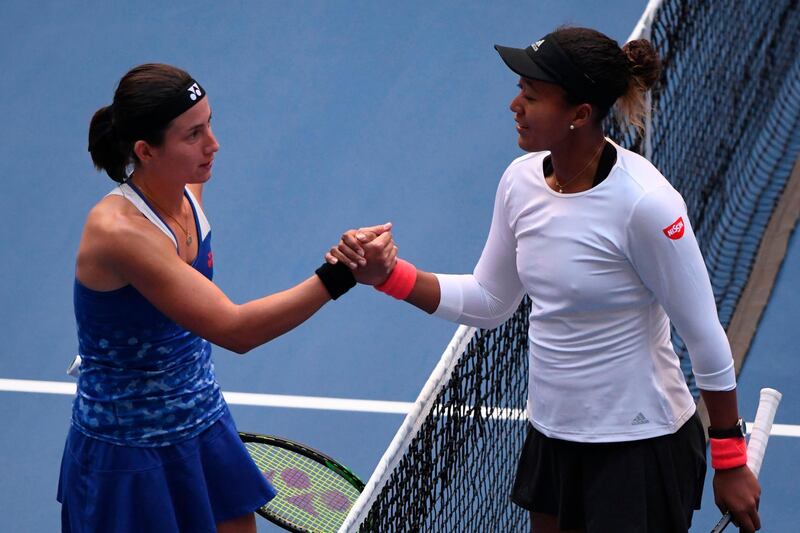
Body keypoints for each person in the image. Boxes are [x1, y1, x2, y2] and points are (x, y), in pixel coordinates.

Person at [328, 27, 761, 533]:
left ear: (579, 114)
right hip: (553, 438)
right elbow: (490, 301)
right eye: (519, 90)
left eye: (531, 96)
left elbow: (706, 337)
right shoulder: (520, 182)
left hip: (638, 447)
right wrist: (389, 277)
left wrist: (729, 457)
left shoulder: (647, 205)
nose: (515, 105)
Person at [58, 63, 396, 533]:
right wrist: (340, 276)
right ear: (145, 151)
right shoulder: (120, 232)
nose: (213, 144)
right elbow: (236, 330)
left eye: (210, 123)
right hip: (130, 456)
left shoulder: (185, 189)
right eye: (193, 134)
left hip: (202, 424)